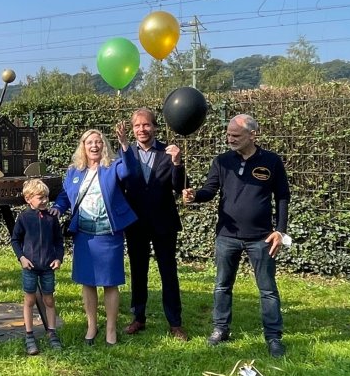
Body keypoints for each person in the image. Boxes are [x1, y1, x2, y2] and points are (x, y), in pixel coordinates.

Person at [182, 114, 290, 358]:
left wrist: (280, 232)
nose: (230, 139)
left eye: (236, 135)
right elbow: (210, 190)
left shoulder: (271, 161)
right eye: (228, 134)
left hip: (262, 238)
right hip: (227, 236)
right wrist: (195, 195)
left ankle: (273, 337)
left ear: (253, 135)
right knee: (222, 286)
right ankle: (221, 329)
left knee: (268, 289)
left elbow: (282, 196)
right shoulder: (222, 161)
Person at [49, 126, 137, 346]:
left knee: (110, 282)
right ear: (83, 147)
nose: (94, 146)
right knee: (87, 282)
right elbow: (65, 196)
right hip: (84, 236)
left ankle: (110, 329)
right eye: (89, 143)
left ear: (104, 145)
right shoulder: (74, 171)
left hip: (108, 234)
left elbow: (130, 171)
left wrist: (125, 144)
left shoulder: (112, 166)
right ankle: (91, 326)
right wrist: (58, 208)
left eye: (98, 142)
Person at [120, 109, 188, 341]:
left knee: (168, 273)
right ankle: (138, 318)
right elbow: (119, 186)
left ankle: (175, 323)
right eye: (137, 126)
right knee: (138, 272)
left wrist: (178, 163)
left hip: (164, 222)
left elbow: (179, 187)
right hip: (136, 223)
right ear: (133, 129)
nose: (142, 129)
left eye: (146, 125)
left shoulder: (168, 152)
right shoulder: (126, 153)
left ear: (155, 127)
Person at [11, 179, 64, 355]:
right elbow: (15, 240)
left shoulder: (52, 218)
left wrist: (58, 258)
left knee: (49, 300)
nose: (44, 200)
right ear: (29, 199)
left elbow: (58, 241)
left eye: (46, 197)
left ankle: (52, 332)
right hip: (30, 267)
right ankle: (29, 335)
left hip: (48, 266)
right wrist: (22, 258)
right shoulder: (24, 218)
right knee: (30, 300)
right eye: (40, 197)